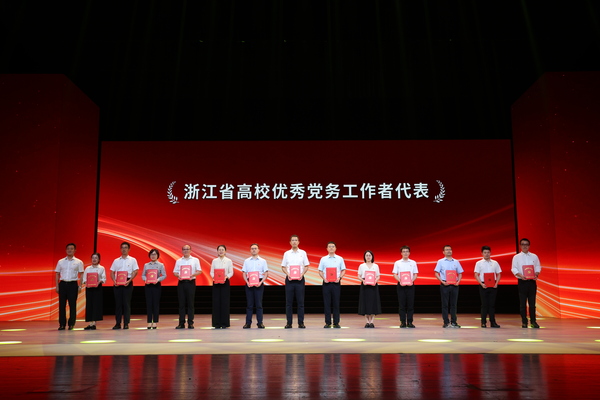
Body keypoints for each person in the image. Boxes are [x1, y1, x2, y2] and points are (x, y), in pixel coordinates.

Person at [511, 238, 542, 328]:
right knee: (522, 304)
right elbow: (513, 268)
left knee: (532, 303)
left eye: (526, 244)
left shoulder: (534, 256)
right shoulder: (516, 257)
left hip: (532, 282)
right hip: (522, 282)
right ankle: (524, 321)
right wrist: (520, 275)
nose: (525, 246)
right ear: (520, 246)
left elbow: (538, 266)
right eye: (523, 244)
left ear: (529, 246)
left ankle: (533, 321)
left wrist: (536, 273)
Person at [281, 235, 310, 329]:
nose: (294, 242)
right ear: (290, 242)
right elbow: (283, 267)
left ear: (298, 242)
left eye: (296, 240)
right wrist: (288, 274)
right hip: (289, 280)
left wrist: (301, 274)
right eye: (292, 240)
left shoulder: (303, 253)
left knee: (300, 302)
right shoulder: (286, 253)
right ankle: (289, 323)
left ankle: (301, 323)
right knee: (289, 303)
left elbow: (306, 266)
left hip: (300, 280)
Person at [110, 241, 139, 330]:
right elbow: (112, 272)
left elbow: (135, 271)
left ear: (129, 249)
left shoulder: (133, 260)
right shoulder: (116, 260)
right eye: (122, 247)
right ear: (120, 249)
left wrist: (129, 280)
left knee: (126, 303)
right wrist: (114, 281)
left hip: (128, 282)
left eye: (126, 247)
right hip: (117, 283)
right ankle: (117, 323)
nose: (124, 249)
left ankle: (126, 323)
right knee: (118, 303)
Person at [54, 243, 84, 330]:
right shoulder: (60, 261)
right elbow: (57, 274)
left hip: (73, 284)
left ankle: (71, 324)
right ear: (66, 250)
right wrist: (57, 286)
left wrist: (80, 286)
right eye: (68, 249)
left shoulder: (79, 262)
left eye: (71, 248)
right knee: (62, 305)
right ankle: (62, 324)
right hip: (63, 284)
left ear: (75, 250)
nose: (69, 250)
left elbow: (81, 274)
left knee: (72, 305)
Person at [317, 241, 346, 328]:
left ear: (335, 248)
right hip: (326, 283)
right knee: (327, 303)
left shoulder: (340, 258)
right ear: (327, 248)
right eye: (329, 246)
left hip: (336, 283)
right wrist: (324, 278)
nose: (331, 248)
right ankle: (328, 322)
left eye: (333, 246)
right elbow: (320, 271)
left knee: (336, 303)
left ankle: (336, 323)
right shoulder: (323, 259)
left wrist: (339, 278)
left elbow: (343, 270)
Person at [434, 245, 464, 328]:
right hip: (445, 285)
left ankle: (454, 322)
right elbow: (436, 273)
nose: (449, 251)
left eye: (450, 249)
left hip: (454, 285)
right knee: (445, 304)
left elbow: (460, 273)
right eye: (446, 250)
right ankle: (446, 322)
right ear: (443, 252)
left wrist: (458, 282)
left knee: (454, 304)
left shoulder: (456, 262)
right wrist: (442, 281)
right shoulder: (440, 261)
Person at [173, 244, 202, 329]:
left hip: (191, 283)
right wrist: (179, 275)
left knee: (190, 303)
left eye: (187, 249)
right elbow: (175, 272)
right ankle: (181, 323)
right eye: (184, 249)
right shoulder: (178, 261)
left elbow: (199, 271)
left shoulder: (195, 260)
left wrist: (192, 275)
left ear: (190, 250)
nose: (186, 251)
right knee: (181, 304)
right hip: (181, 283)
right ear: (182, 251)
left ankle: (190, 323)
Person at [241, 243, 269, 329]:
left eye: (255, 248)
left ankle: (260, 323)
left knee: (259, 304)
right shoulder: (246, 261)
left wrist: (261, 282)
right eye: (252, 248)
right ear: (250, 250)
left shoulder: (263, 261)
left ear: (258, 250)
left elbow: (266, 273)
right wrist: (247, 282)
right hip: (249, 283)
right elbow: (244, 273)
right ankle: (248, 323)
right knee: (249, 304)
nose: (254, 250)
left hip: (259, 283)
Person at [474, 246, 502, 328]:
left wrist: (496, 283)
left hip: (493, 285)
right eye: (485, 252)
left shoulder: (495, 263)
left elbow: (499, 273)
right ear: (482, 253)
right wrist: (481, 284)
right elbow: (476, 274)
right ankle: (483, 322)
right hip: (483, 285)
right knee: (484, 305)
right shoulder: (479, 263)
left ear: (490, 253)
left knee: (492, 305)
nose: (486, 254)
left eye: (488, 252)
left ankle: (493, 322)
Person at [392, 246, 418, 328]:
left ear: (409, 253)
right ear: (401, 253)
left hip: (410, 285)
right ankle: (402, 322)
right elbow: (394, 274)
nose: (405, 253)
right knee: (402, 305)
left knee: (410, 305)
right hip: (401, 285)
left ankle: (410, 322)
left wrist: (411, 281)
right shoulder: (397, 263)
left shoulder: (413, 262)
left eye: (407, 251)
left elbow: (415, 274)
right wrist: (400, 281)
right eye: (404, 251)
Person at [141, 248, 167, 329]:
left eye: (155, 254)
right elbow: (143, 275)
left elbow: (164, 275)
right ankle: (149, 321)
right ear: (149, 255)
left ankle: (155, 321)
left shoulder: (161, 265)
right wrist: (146, 280)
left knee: (155, 304)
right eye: (152, 254)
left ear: (157, 255)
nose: (153, 256)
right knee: (149, 303)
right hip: (148, 285)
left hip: (156, 286)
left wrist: (158, 280)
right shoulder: (146, 265)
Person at [210, 245, 234, 329]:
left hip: (225, 282)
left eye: (222, 250)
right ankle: (216, 323)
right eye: (219, 250)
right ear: (217, 251)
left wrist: (226, 277)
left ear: (225, 251)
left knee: (225, 302)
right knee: (216, 302)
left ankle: (224, 323)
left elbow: (231, 272)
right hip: (216, 282)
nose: (221, 251)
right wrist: (214, 277)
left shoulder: (228, 261)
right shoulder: (214, 261)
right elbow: (211, 272)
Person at [81, 253, 106, 330]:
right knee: (89, 304)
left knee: (96, 305)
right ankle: (90, 323)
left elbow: (104, 278)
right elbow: (84, 279)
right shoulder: (87, 268)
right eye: (93, 258)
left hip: (97, 288)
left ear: (99, 259)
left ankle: (94, 323)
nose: (94, 259)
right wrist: (86, 283)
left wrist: (99, 282)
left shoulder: (101, 268)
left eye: (96, 258)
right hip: (89, 288)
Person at [357, 250, 382, 328]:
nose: (368, 257)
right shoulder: (362, 266)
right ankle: (367, 322)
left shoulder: (376, 266)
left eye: (369, 255)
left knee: (373, 303)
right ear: (364, 257)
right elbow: (359, 276)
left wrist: (375, 281)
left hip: (373, 286)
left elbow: (378, 276)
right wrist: (363, 280)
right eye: (367, 255)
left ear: (372, 257)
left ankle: (372, 322)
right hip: (365, 285)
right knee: (365, 303)